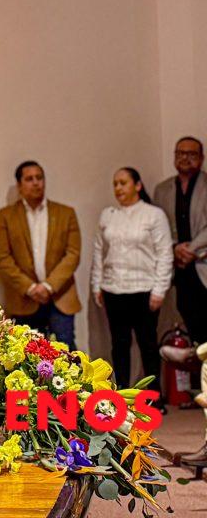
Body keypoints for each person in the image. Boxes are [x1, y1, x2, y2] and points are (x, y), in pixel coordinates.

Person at [91, 168, 173, 396]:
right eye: (115, 184)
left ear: (137, 185)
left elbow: (165, 253)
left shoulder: (153, 215)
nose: (118, 188)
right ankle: (122, 395)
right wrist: (97, 285)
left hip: (144, 289)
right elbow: (99, 252)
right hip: (113, 289)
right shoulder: (108, 215)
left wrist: (160, 290)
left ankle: (154, 396)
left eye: (123, 183)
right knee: (119, 345)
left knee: (148, 344)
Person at [0, 161, 82, 349]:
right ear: (19, 185)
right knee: (29, 356)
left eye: (39, 178)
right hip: (24, 299)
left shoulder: (66, 213)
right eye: (29, 179)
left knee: (67, 354)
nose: (36, 183)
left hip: (60, 296)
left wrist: (48, 286)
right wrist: (31, 288)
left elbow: (73, 254)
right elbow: (2, 257)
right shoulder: (6, 216)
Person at [152, 136, 207, 345]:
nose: (185, 158)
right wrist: (174, 248)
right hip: (178, 270)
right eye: (180, 153)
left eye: (191, 154)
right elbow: (157, 227)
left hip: (203, 264)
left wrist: (191, 250)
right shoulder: (162, 189)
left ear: (201, 158)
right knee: (190, 328)